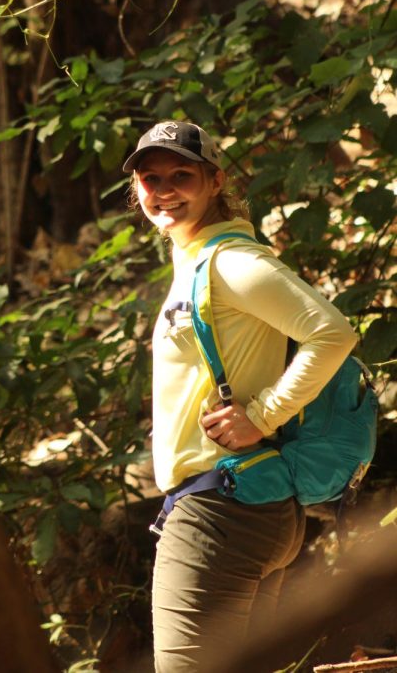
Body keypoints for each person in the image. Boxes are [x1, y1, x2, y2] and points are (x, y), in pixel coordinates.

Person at [122, 120, 357, 672]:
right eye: (151, 179)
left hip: (220, 511)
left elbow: (333, 332)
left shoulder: (231, 262)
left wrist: (262, 415)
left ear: (215, 180)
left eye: (182, 174)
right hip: (246, 505)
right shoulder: (198, 262)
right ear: (137, 190)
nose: (165, 190)